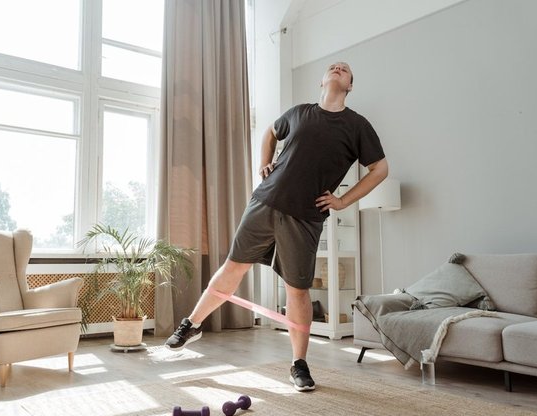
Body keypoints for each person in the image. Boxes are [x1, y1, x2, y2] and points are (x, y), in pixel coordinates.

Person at [165, 62, 388, 392]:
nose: (338, 68)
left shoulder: (357, 126)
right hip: (265, 202)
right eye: (333, 67)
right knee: (233, 267)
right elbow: (270, 132)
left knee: (297, 290)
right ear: (322, 81)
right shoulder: (298, 113)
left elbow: (380, 169)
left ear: (350, 86)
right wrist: (263, 162)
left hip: (305, 216)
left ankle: (299, 364)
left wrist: (342, 201)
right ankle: (192, 324)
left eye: (345, 70)